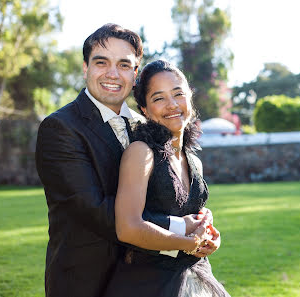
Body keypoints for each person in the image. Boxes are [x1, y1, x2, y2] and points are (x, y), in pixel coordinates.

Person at [35, 24, 212, 297]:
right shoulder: (60, 128)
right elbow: (96, 210)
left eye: (124, 64)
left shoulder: (148, 125)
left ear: (135, 73)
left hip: (153, 276)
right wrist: (183, 230)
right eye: (101, 62)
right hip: (87, 279)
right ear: (85, 68)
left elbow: (169, 190)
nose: (113, 74)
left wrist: (203, 224)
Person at [103, 60, 229, 297]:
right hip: (150, 284)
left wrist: (210, 237)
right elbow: (128, 228)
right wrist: (188, 243)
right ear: (145, 110)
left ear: (189, 97)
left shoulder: (193, 160)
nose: (172, 105)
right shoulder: (141, 152)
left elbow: (190, 217)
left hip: (197, 278)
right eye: (159, 98)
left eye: (178, 93)